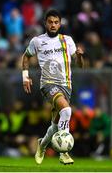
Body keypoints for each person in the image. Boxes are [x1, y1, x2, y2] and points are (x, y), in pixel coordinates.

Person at [21, 9, 84, 165]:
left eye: (56, 22)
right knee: (67, 110)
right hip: (48, 84)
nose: (53, 25)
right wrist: (25, 77)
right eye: (50, 22)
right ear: (45, 23)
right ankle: (64, 152)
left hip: (66, 86)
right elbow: (26, 57)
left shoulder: (67, 40)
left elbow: (80, 65)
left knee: (56, 125)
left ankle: (42, 144)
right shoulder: (37, 41)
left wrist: (80, 56)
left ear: (60, 24)